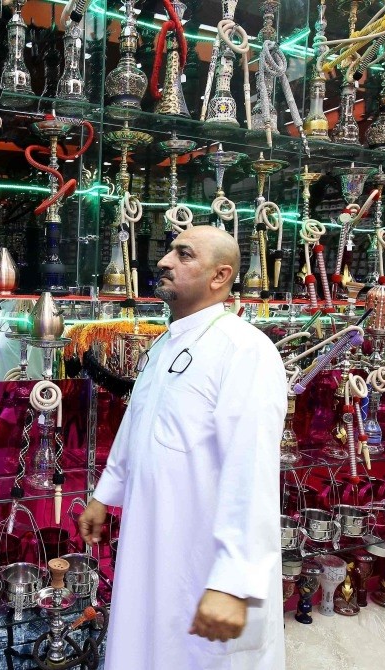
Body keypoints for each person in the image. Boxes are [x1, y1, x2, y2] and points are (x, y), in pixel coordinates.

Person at [79, 226, 286, 670]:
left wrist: (234, 582)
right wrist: (104, 494)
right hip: (153, 536)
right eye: (170, 250)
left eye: (184, 254)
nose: (164, 262)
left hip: (205, 553)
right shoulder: (165, 343)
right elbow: (139, 423)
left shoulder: (245, 350)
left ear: (220, 275)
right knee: (149, 641)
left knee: (201, 657)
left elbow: (252, 472)